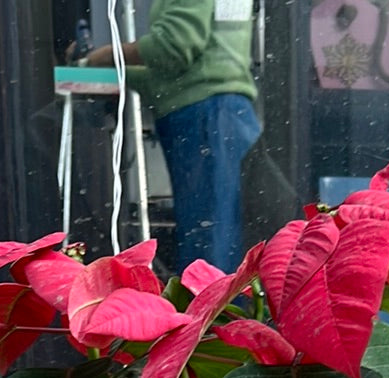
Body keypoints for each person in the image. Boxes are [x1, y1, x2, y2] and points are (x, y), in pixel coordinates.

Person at [79, 0, 261, 273]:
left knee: (207, 253)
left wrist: (105, 57)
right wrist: (117, 69)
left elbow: (174, 47)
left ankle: (213, 316)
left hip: (204, 116)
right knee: (224, 243)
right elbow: (178, 66)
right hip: (224, 113)